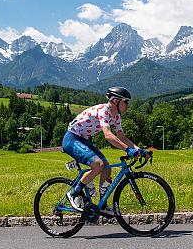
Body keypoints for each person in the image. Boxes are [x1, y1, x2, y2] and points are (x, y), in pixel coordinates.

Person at [62, 86, 145, 216]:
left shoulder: (116, 116)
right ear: (116, 101)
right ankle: (73, 193)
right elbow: (108, 135)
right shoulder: (104, 110)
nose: (128, 105)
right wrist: (127, 150)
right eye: (126, 102)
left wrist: (139, 150)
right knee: (98, 165)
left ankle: (102, 205)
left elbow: (121, 137)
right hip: (72, 139)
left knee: (106, 168)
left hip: (83, 140)